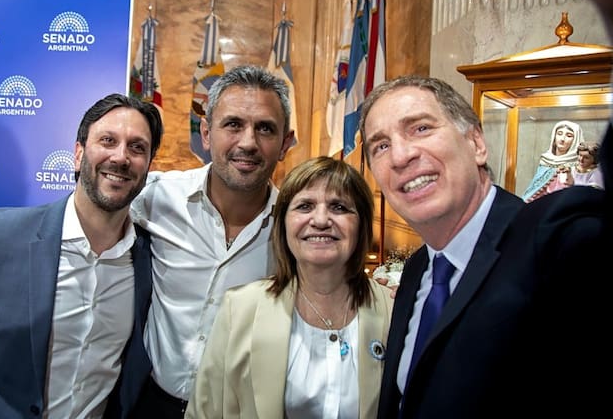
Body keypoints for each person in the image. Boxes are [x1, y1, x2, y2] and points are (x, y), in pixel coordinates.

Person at [0, 93, 163, 419]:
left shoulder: (152, 259)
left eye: (137, 147)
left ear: (149, 166)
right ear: (78, 154)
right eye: (108, 140)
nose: (121, 157)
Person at [358, 74, 606, 418]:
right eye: (381, 146)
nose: (400, 156)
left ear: (476, 143)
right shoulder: (417, 270)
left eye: (421, 128)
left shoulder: (555, 238)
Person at [129, 64, 296, 417]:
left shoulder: (296, 229)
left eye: (265, 128)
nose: (248, 143)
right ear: (206, 133)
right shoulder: (157, 198)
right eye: (233, 124)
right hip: (149, 404)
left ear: (285, 143)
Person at [185, 156, 393, 419]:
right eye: (304, 206)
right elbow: (205, 413)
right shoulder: (239, 309)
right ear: (283, 224)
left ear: (361, 224)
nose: (320, 220)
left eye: (339, 207)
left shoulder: (394, 309)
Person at [521, 119, 584, 202]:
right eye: (559, 134)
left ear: (575, 140)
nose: (562, 139)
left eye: (569, 136)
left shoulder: (579, 165)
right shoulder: (546, 160)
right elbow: (534, 189)